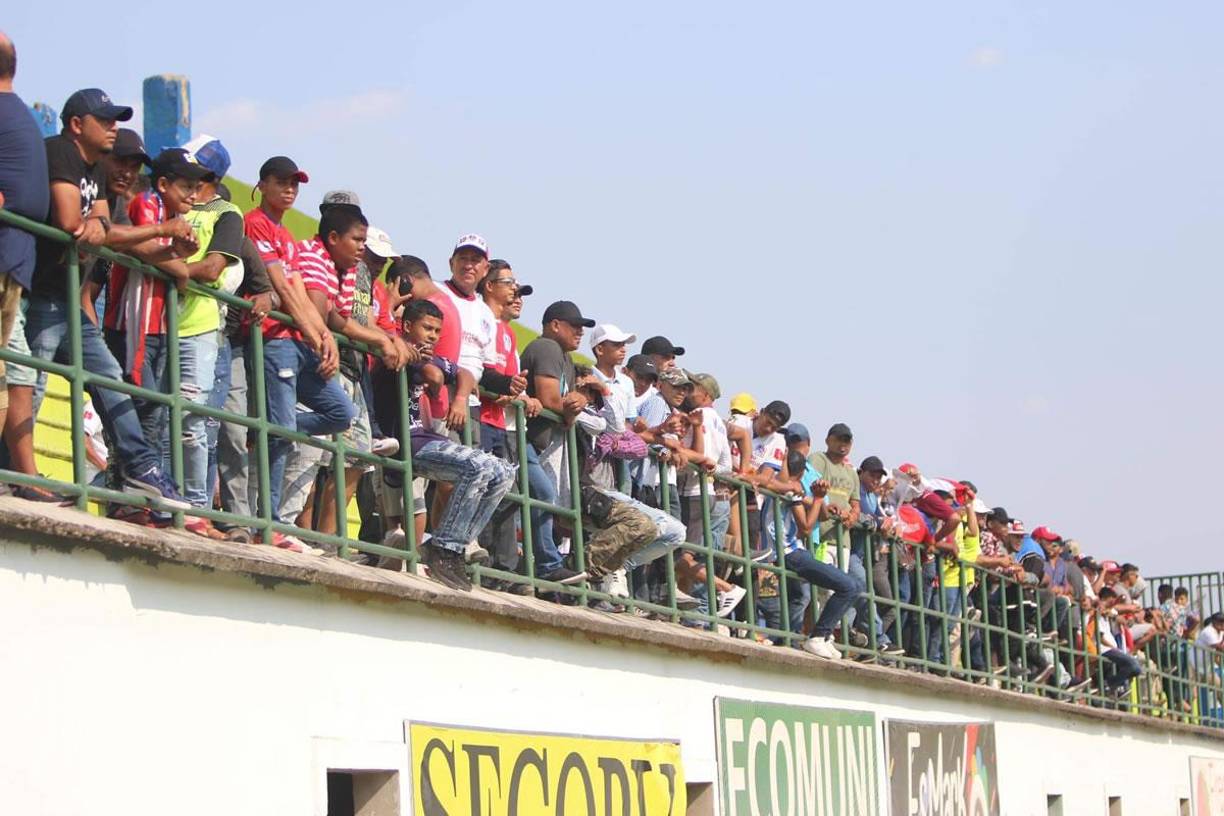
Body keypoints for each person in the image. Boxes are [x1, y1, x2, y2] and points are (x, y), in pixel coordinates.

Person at [24, 89, 190, 509]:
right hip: (40, 293)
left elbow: (103, 229)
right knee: (31, 383)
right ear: (77, 124)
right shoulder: (60, 151)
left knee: (110, 378)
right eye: (105, 120)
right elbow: (72, 223)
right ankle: (14, 472)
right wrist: (159, 231)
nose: (113, 128)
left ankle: (139, 467)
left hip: (66, 301)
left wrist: (170, 253)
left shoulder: (94, 169)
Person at [381, 298, 517, 590]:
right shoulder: (397, 349)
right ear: (407, 326)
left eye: (436, 331)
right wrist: (435, 372)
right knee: (478, 467)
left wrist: (459, 398)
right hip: (404, 439)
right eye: (426, 328)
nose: (432, 336)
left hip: (426, 436)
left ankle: (453, 548)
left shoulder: (430, 356)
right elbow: (432, 375)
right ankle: (443, 547)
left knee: (504, 472)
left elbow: (465, 373)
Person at [0, 31, 49, 494]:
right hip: (14, 258)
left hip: (9, 258)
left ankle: (24, 477)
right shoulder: (19, 115)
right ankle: (25, 477)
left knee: (15, 369)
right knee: (16, 369)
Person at [518, 300, 596, 585]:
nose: (580, 332)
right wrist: (573, 405)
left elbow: (567, 417)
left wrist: (575, 404)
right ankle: (548, 565)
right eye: (574, 326)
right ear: (554, 325)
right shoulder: (547, 347)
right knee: (541, 493)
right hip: (519, 437)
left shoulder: (565, 358)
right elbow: (551, 400)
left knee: (526, 499)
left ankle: (529, 565)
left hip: (532, 442)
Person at [766, 449, 861, 660]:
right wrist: (818, 498)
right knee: (848, 586)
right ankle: (818, 637)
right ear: (801, 474)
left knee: (853, 587)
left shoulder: (787, 487)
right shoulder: (790, 489)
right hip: (789, 553)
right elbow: (807, 528)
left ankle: (823, 637)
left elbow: (821, 513)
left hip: (796, 551)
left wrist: (820, 499)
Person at [476, 261, 536, 589]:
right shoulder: (480, 318)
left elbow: (510, 381)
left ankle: (504, 570)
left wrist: (520, 395)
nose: (515, 292)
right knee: (484, 490)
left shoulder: (509, 333)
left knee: (506, 495)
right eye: (509, 283)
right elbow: (476, 369)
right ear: (489, 285)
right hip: (480, 418)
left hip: (501, 422)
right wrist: (501, 390)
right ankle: (485, 566)